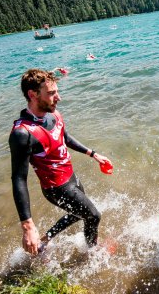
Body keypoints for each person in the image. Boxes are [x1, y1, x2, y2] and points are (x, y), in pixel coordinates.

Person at [9, 68, 112, 255]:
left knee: (79, 213)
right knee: (94, 215)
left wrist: (93, 154)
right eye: (51, 93)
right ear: (33, 94)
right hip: (56, 188)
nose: (58, 97)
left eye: (56, 91)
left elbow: (64, 137)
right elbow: (18, 178)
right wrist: (27, 226)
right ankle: (93, 252)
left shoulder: (53, 114)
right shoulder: (22, 133)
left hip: (70, 177)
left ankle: (45, 240)